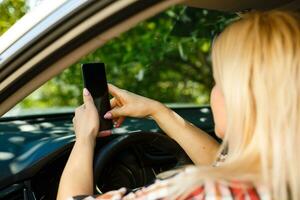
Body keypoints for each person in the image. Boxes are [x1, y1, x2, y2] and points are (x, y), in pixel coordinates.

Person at [57, 10, 300, 200]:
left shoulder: (198, 192)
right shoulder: (278, 177)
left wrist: (84, 138)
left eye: (218, 81)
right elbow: (220, 163)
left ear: (245, 96)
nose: (213, 92)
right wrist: (156, 110)